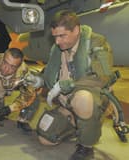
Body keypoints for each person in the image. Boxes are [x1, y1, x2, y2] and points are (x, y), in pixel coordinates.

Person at [36, 10, 114, 160]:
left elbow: (103, 78)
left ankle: (86, 146)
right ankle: (78, 126)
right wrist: (37, 79)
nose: (57, 42)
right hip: (68, 104)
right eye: (55, 37)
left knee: (82, 98)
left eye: (62, 36)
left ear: (76, 30)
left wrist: (69, 84)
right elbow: (51, 73)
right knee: (45, 139)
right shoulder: (58, 49)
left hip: (92, 100)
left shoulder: (96, 43)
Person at [0, 48, 41, 140]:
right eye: (5, 63)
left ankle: (23, 120)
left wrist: (9, 109)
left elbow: (28, 94)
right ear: (2, 57)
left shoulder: (23, 70)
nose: (6, 69)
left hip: (6, 92)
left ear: (18, 66)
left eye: (12, 67)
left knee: (34, 96)